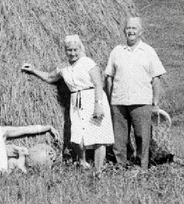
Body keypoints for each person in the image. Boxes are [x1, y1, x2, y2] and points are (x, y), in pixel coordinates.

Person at [21, 34, 115, 172]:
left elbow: (98, 83)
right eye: (69, 50)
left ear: (80, 48)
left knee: (98, 136)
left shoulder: (88, 62)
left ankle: (99, 170)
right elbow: (49, 77)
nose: (72, 53)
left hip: (92, 98)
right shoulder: (63, 67)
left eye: (75, 50)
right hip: (76, 102)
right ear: (65, 50)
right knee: (77, 135)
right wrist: (33, 70)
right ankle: (83, 163)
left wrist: (98, 104)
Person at [104, 16, 167, 170]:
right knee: (119, 139)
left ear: (140, 32)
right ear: (124, 31)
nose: (131, 31)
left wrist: (155, 103)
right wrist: (111, 99)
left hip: (141, 102)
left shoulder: (148, 51)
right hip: (119, 102)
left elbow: (156, 78)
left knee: (142, 137)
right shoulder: (117, 51)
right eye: (128, 28)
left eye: (134, 29)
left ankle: (141, 168)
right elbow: (109, 77)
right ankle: (120, 166)